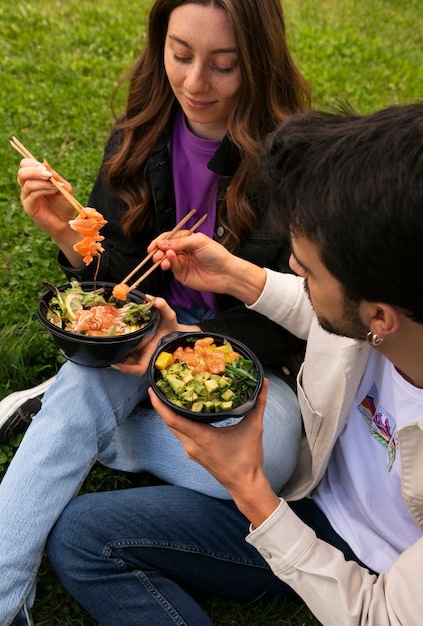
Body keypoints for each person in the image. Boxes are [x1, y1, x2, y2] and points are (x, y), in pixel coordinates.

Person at [46, 102, 423, 626]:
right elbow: (322, 315)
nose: (292, 266)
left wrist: (246, 486)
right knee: (82, 535)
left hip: (372, 576)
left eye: (308, 269)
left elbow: (377, 614)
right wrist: (238, 277)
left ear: (380, 316)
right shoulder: (394, 310)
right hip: (309, 497)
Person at [0, 1, 311, 624]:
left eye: (223, 66)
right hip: (128, 350)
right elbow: (116, 283)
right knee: (92, 376)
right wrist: (68, 233)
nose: (196, 83)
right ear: (159, 45)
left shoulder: (293, 161)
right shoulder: (141, 133)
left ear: (257, 62)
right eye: (181, 55)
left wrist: (186, 337)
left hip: (241, 369)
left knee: (274, 457)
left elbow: (293, 316)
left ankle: (69, 419)